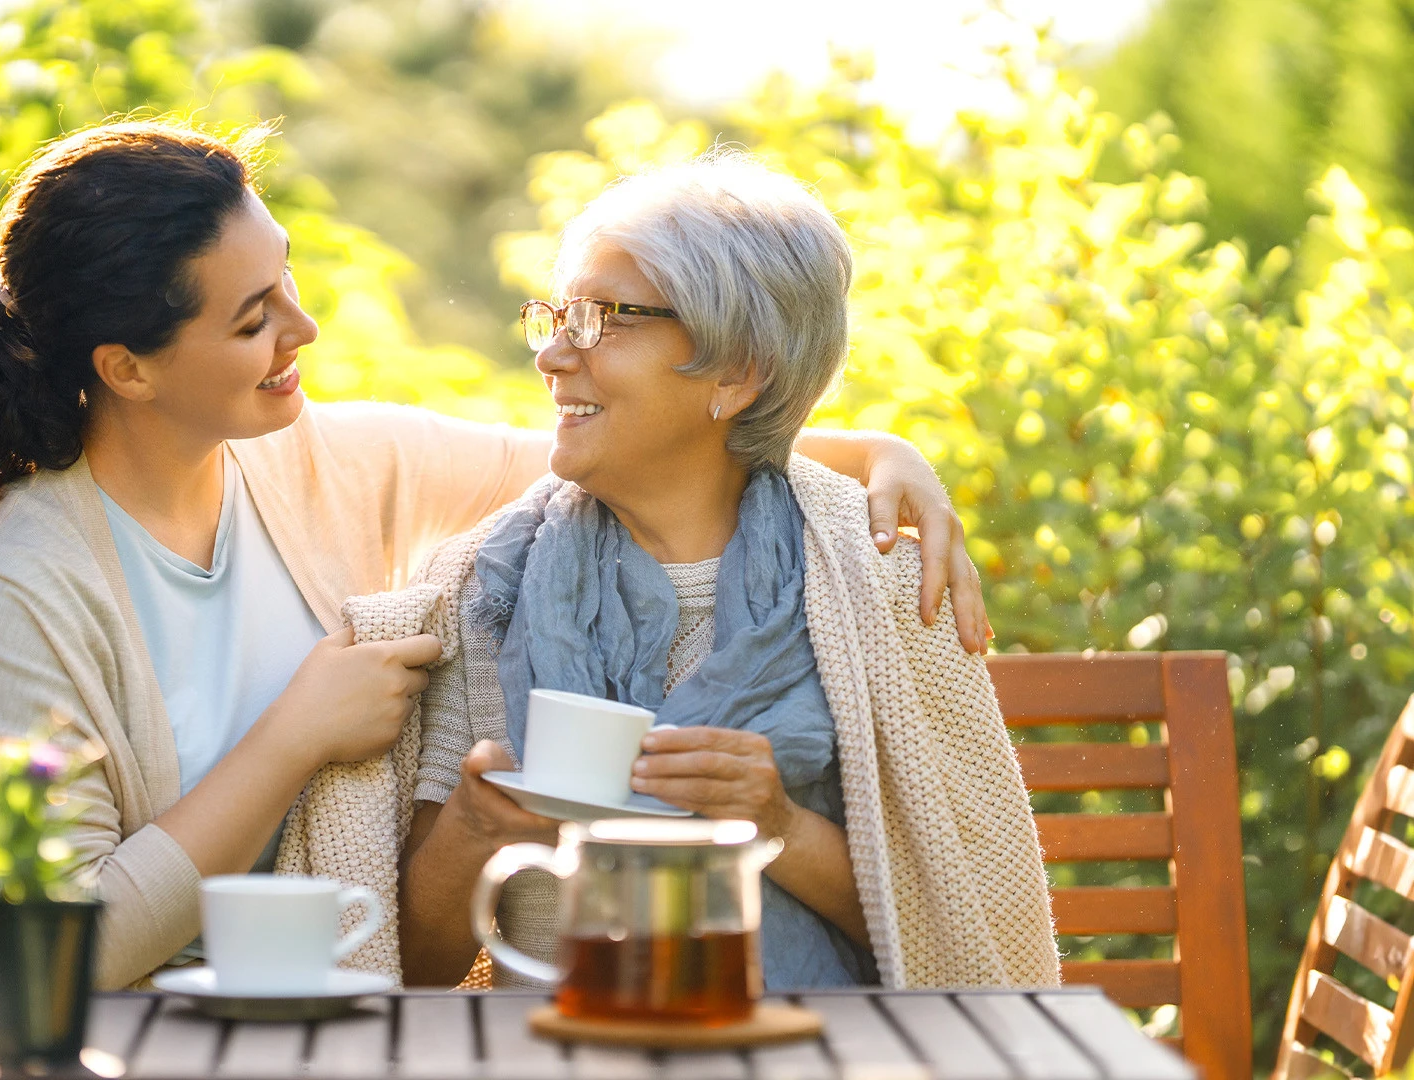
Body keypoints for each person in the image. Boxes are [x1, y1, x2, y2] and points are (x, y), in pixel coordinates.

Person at [0, 120, 993, 1065]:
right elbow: (56, 947)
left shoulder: (322, 459)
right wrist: (296, 737)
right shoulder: (16, 576)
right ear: (128, 369)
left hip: (266, 1020)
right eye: (254, 319)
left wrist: (881, 451)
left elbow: (622, 440)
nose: (306, 327)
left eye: (285, 281)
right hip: (12, 1028)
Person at [400, 152, 1059, 991]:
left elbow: (963, 931)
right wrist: (470, 828)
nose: (554, 356)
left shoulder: (878, 572)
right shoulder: (488, 586)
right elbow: (416, 972)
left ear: (738, 371)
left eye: (604, 318)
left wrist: (773, 822)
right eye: (558, 316)